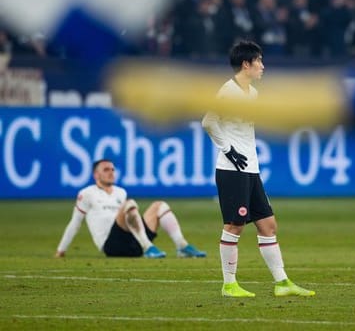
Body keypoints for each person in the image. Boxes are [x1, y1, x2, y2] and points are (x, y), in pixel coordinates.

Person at [201, 40, 315, 298]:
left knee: (268, 225)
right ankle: (229, 284)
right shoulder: (227, 91)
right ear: (246, 64)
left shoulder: (251, 93)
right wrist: (227, 149)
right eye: (259, 61)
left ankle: (282, 283)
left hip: (250, 169)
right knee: (235, 225)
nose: (263, 66)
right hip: (231, 169)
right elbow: (208, 121)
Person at [55, 159, 207, 259]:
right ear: (96, 174)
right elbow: (75, 223)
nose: (111, 172)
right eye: (106, 169)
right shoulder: (86, 194)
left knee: (160, 205)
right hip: (112, 246)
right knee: (130, 204)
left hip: (134, 243)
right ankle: (148, 247)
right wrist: (61, 250)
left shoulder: (120, 192)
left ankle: (181, 246)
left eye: (113, 169)